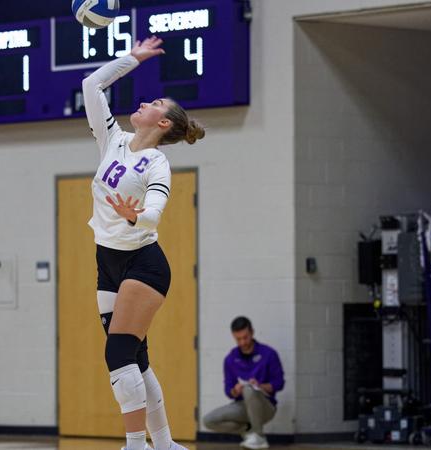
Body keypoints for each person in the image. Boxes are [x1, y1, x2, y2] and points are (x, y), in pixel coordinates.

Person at [82, 36, 205, 450]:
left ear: (164, 122)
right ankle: (166, 445)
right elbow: (90, 86)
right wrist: (131, 58)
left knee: (117, 355)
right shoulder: (111, 140)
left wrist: (136, 215)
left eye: (154, 103)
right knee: (135, 358)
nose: (145, 103)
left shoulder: (157, 162)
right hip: (107, 261)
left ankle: (137, 445)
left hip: (143, 264)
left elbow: (155, 210)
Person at [203, 317, 284, 450]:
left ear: (252, 332)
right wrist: (235, 390)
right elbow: (229, 391)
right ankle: (249, 430)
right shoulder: (230, 359)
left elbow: (279, 383)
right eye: (238, 339)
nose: (242, 342)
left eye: (245, 337)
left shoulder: (269, 354)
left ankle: (259, 437)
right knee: (209, 420)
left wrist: (259, 386)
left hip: (266, 405)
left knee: (249, 390)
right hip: (242, 405)